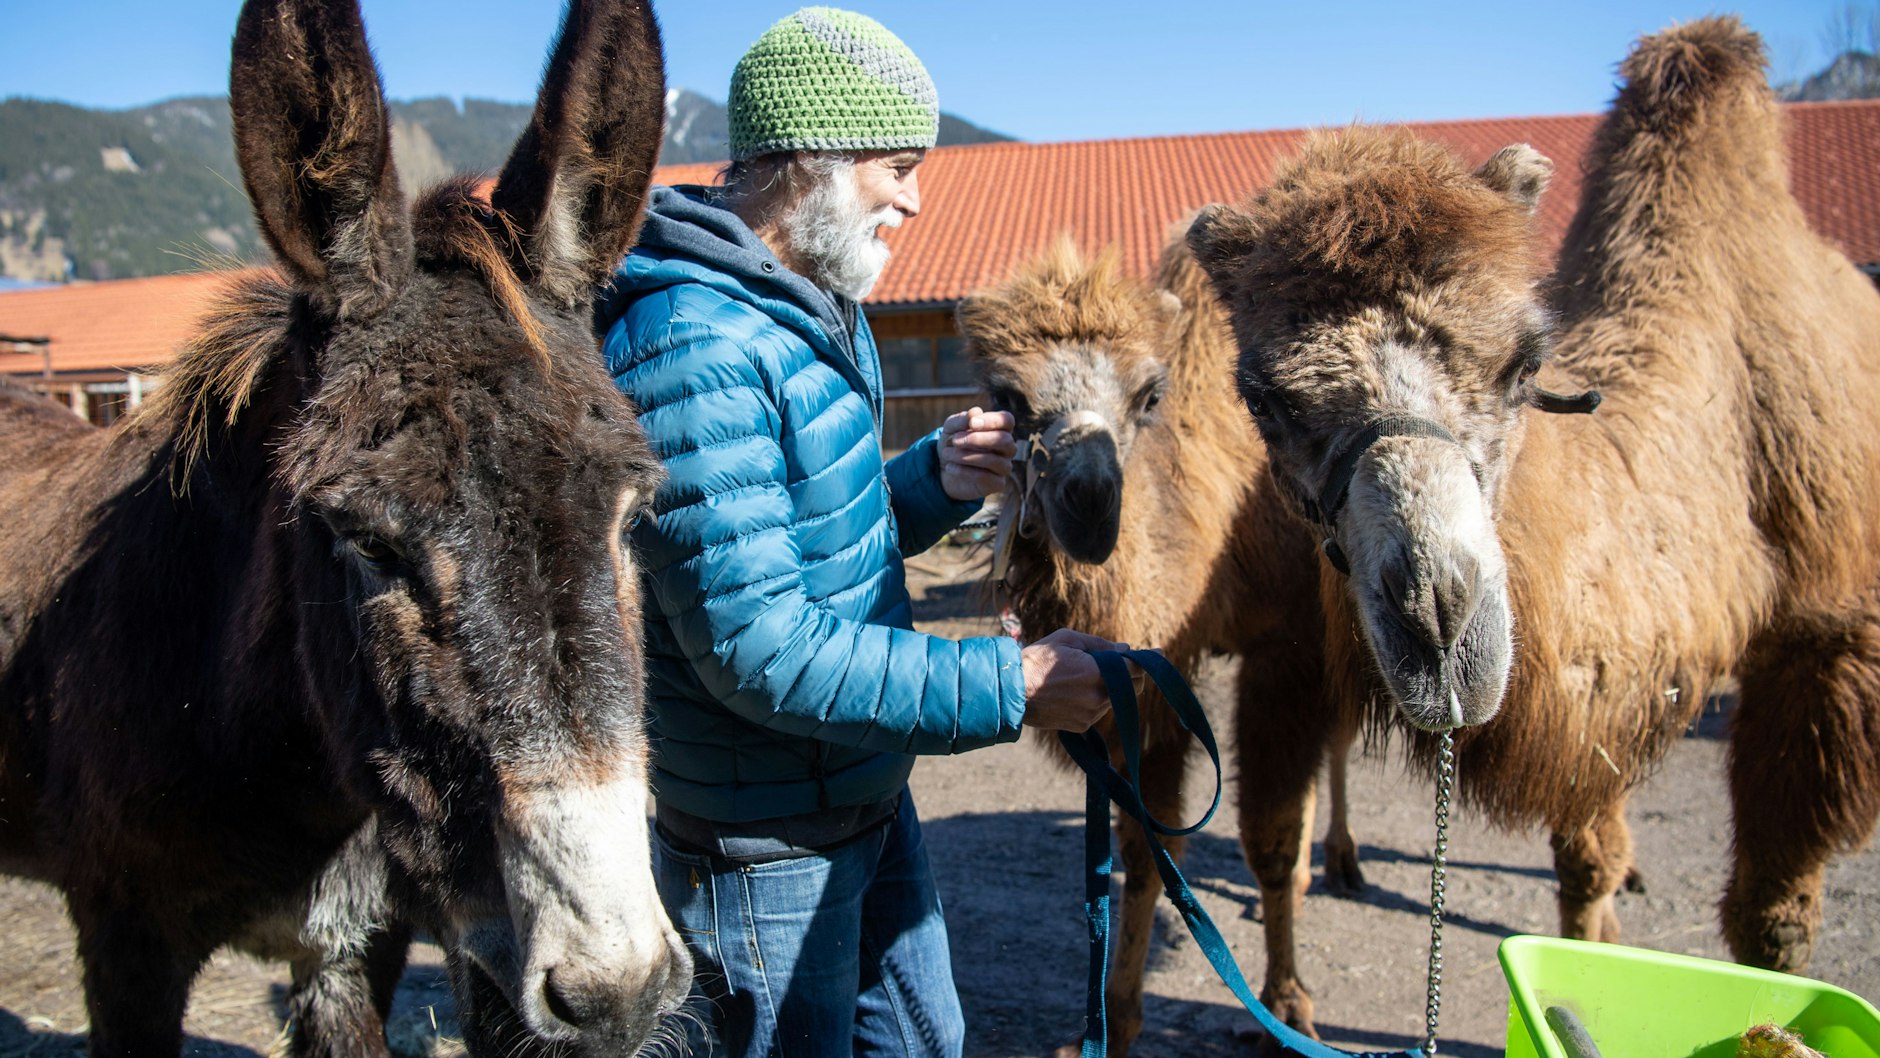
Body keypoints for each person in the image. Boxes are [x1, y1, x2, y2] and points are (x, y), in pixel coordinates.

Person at [596, 7, 1129, 1056]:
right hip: (764, 851)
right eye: (896, 165)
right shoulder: (693, 343)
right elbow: (760, 645)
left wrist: (928, 479)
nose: (915, 197)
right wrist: (1006, 685)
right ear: (810, 160)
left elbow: (802, 536)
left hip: (855, 792)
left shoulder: (803, 305)